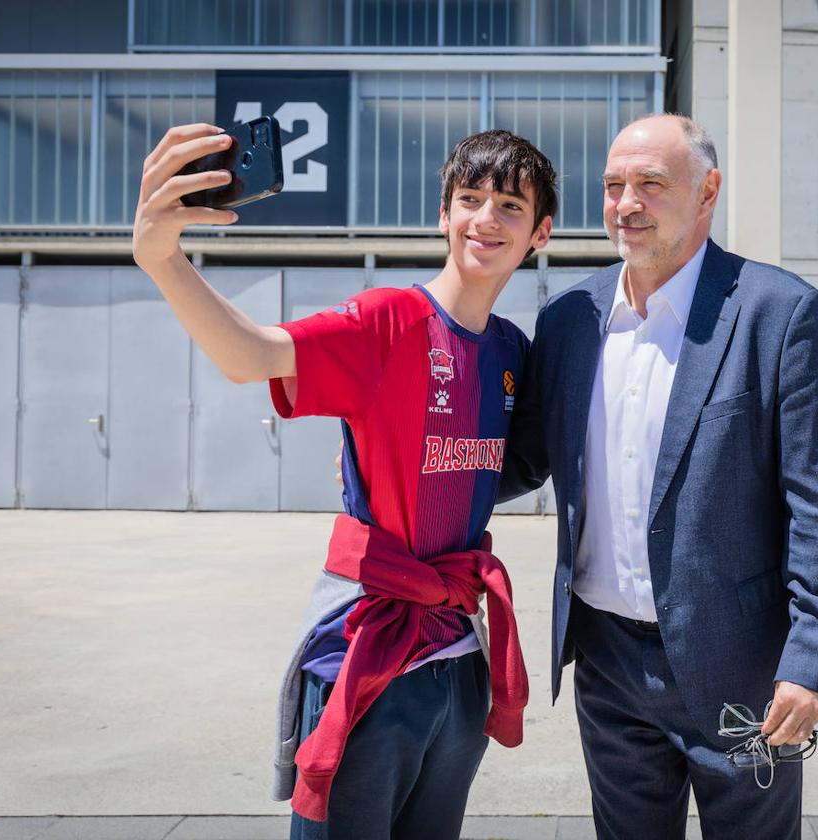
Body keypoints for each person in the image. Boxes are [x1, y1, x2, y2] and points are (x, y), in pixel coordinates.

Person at [132, 124, 558, 839]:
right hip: (366, 660)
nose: (487, 217)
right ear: (443, 216)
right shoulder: (386, 321)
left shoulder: (513, 352)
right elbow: (250, 355)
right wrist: (162, 259)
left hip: (458, 664)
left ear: (540, 231)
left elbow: (498, 466)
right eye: (470, 198)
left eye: (511, 205)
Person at [499, 114, 818, 839]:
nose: (625, 203)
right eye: (612, 186)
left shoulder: (776, 314)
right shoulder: (571, 317)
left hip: (742, 670)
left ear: (707, 192)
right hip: (606, 666)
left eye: (650, 185)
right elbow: (522, 460)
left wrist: (815, 657)